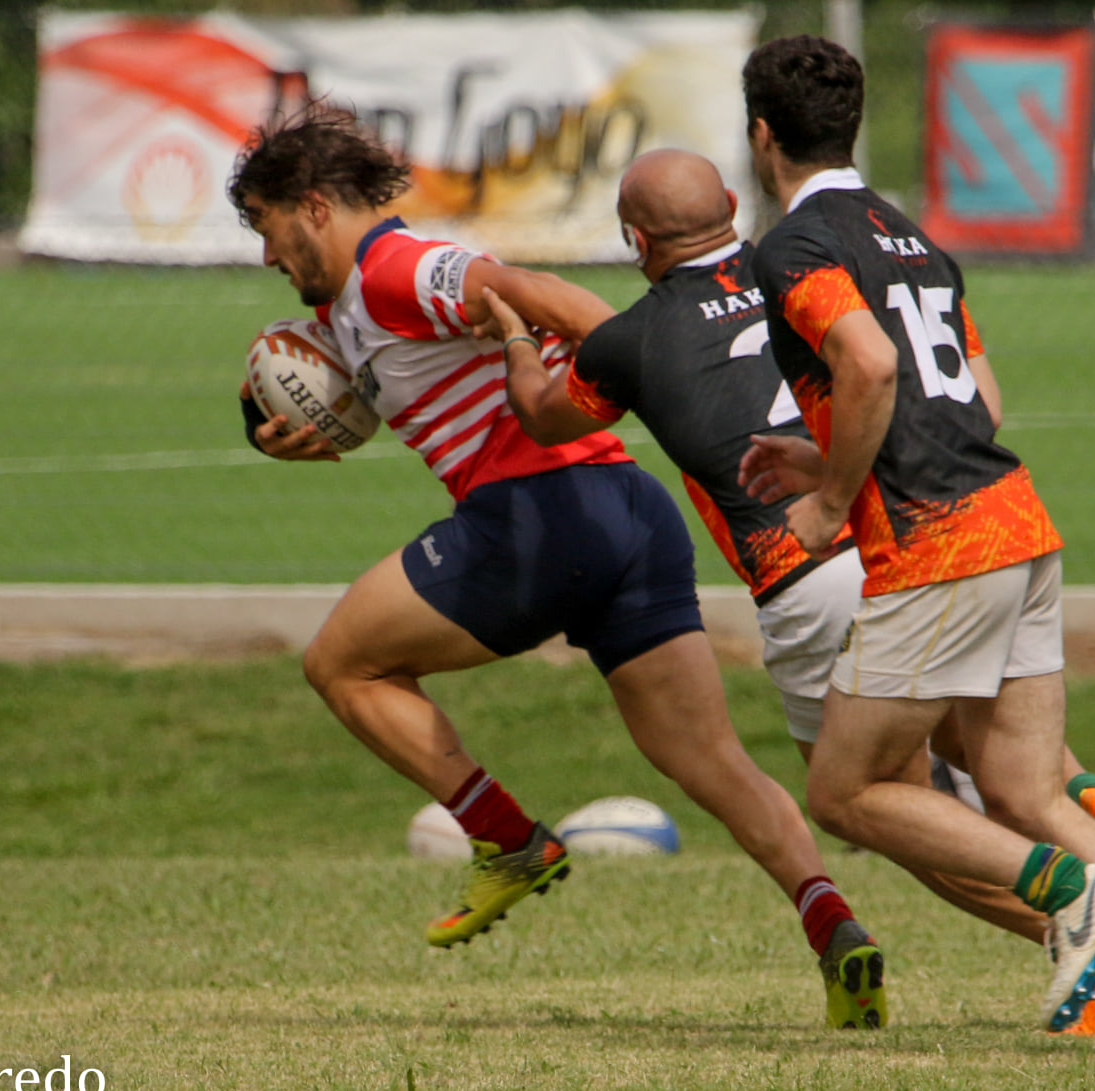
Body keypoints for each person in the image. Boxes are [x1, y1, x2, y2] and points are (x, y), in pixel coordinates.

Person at [476, 146, 1095, 1036]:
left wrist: (517, 334)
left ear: (635, 239)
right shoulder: (798, 267)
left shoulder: (629, 340)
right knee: (999, 763)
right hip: (912, 532)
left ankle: (1076, 923)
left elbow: (543, 412)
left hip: (804, 567)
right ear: (729, 206)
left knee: (881, 808)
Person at [226, 100, 887, 1030]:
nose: (265, 254)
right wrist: (273, 438)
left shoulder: (398, 266)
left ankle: (508, 841)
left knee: (340, 663)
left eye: (264, 225)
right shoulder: (349, 308)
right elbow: (304, 390)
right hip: (628, 515)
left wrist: (655, 375)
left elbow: (539, 294)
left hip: (538, 516)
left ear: (313, 204)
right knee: (705, 757)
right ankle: (834, 926)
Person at [733, 35, 1095, 1053]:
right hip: (1017, 519)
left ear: (761, 135)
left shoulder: (793, 246)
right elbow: (978, 398)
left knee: (845, 791)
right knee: (1025, 787)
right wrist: (831, 461)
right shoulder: (911, 234)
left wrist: (834, 497)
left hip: (940, 544)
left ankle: (1075, 897)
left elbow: (872, 365)